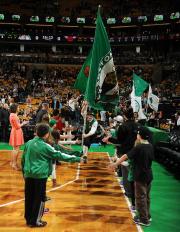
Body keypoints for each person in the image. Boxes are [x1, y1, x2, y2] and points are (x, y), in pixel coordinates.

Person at [21, 123, 83, 227]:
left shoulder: (28, 143)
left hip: (28, 175)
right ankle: (35, 221)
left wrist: (24, 173)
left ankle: (28, 219)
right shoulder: (46, 146)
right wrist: (78, 158)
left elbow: (23, 160)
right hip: (40, 176)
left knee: (29, 197)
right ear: (46, 134)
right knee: (39, 198)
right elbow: (60, 155)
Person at [109, 126, 154, 226]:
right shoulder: (150, 146)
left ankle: (144, 220)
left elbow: (126, 156)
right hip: (149, 175)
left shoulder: (139, 147)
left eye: (138, 133)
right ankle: (147, 215)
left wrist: (115, 164)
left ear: (139, 136)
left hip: (140, 176)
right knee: (146, 197)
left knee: (140, 198)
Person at [9, 103, 28, 170]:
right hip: (16, 132)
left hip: (15, 132)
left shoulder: (12, 115)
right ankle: (14, 164)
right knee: (16, 149)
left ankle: (12, 163)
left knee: (14, 149)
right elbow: (17, 126)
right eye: (18, 107)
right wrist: (23, 123)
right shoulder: (14, 116)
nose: (19, 108)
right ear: (15, 108)